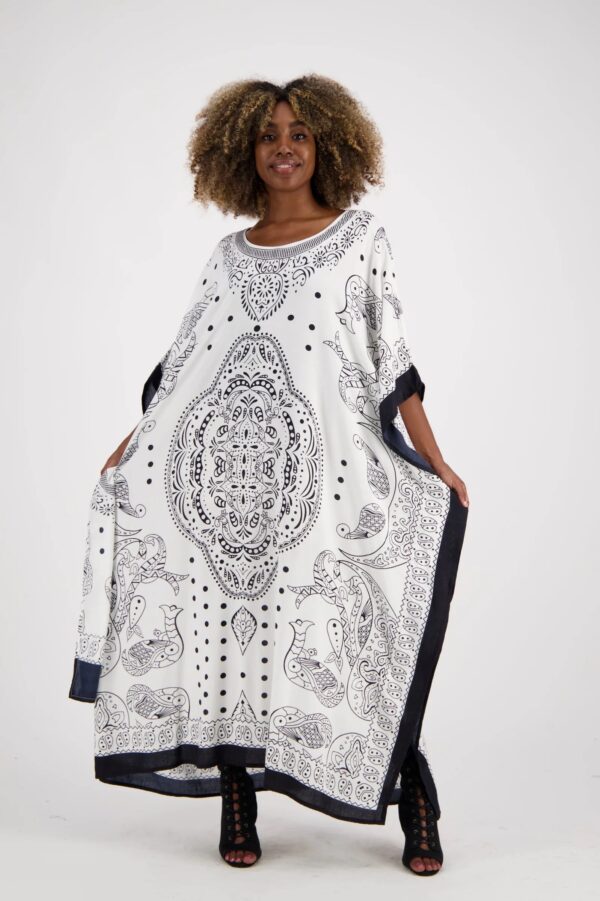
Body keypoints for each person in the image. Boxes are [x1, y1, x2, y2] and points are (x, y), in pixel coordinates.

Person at [68, 74, 469, 874]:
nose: (284, 147)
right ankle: (236, 791)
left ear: (328, 146)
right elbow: (186, 368)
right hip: (226, 499)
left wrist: (436, 458)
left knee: (350, 638)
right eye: (268, 135)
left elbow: (392, 358)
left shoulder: (361, 238)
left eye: (300, 134)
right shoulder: (226, 256)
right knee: (225, 632)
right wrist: (131, 442)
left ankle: (412, 789)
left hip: (326, 484)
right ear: (242, 150)